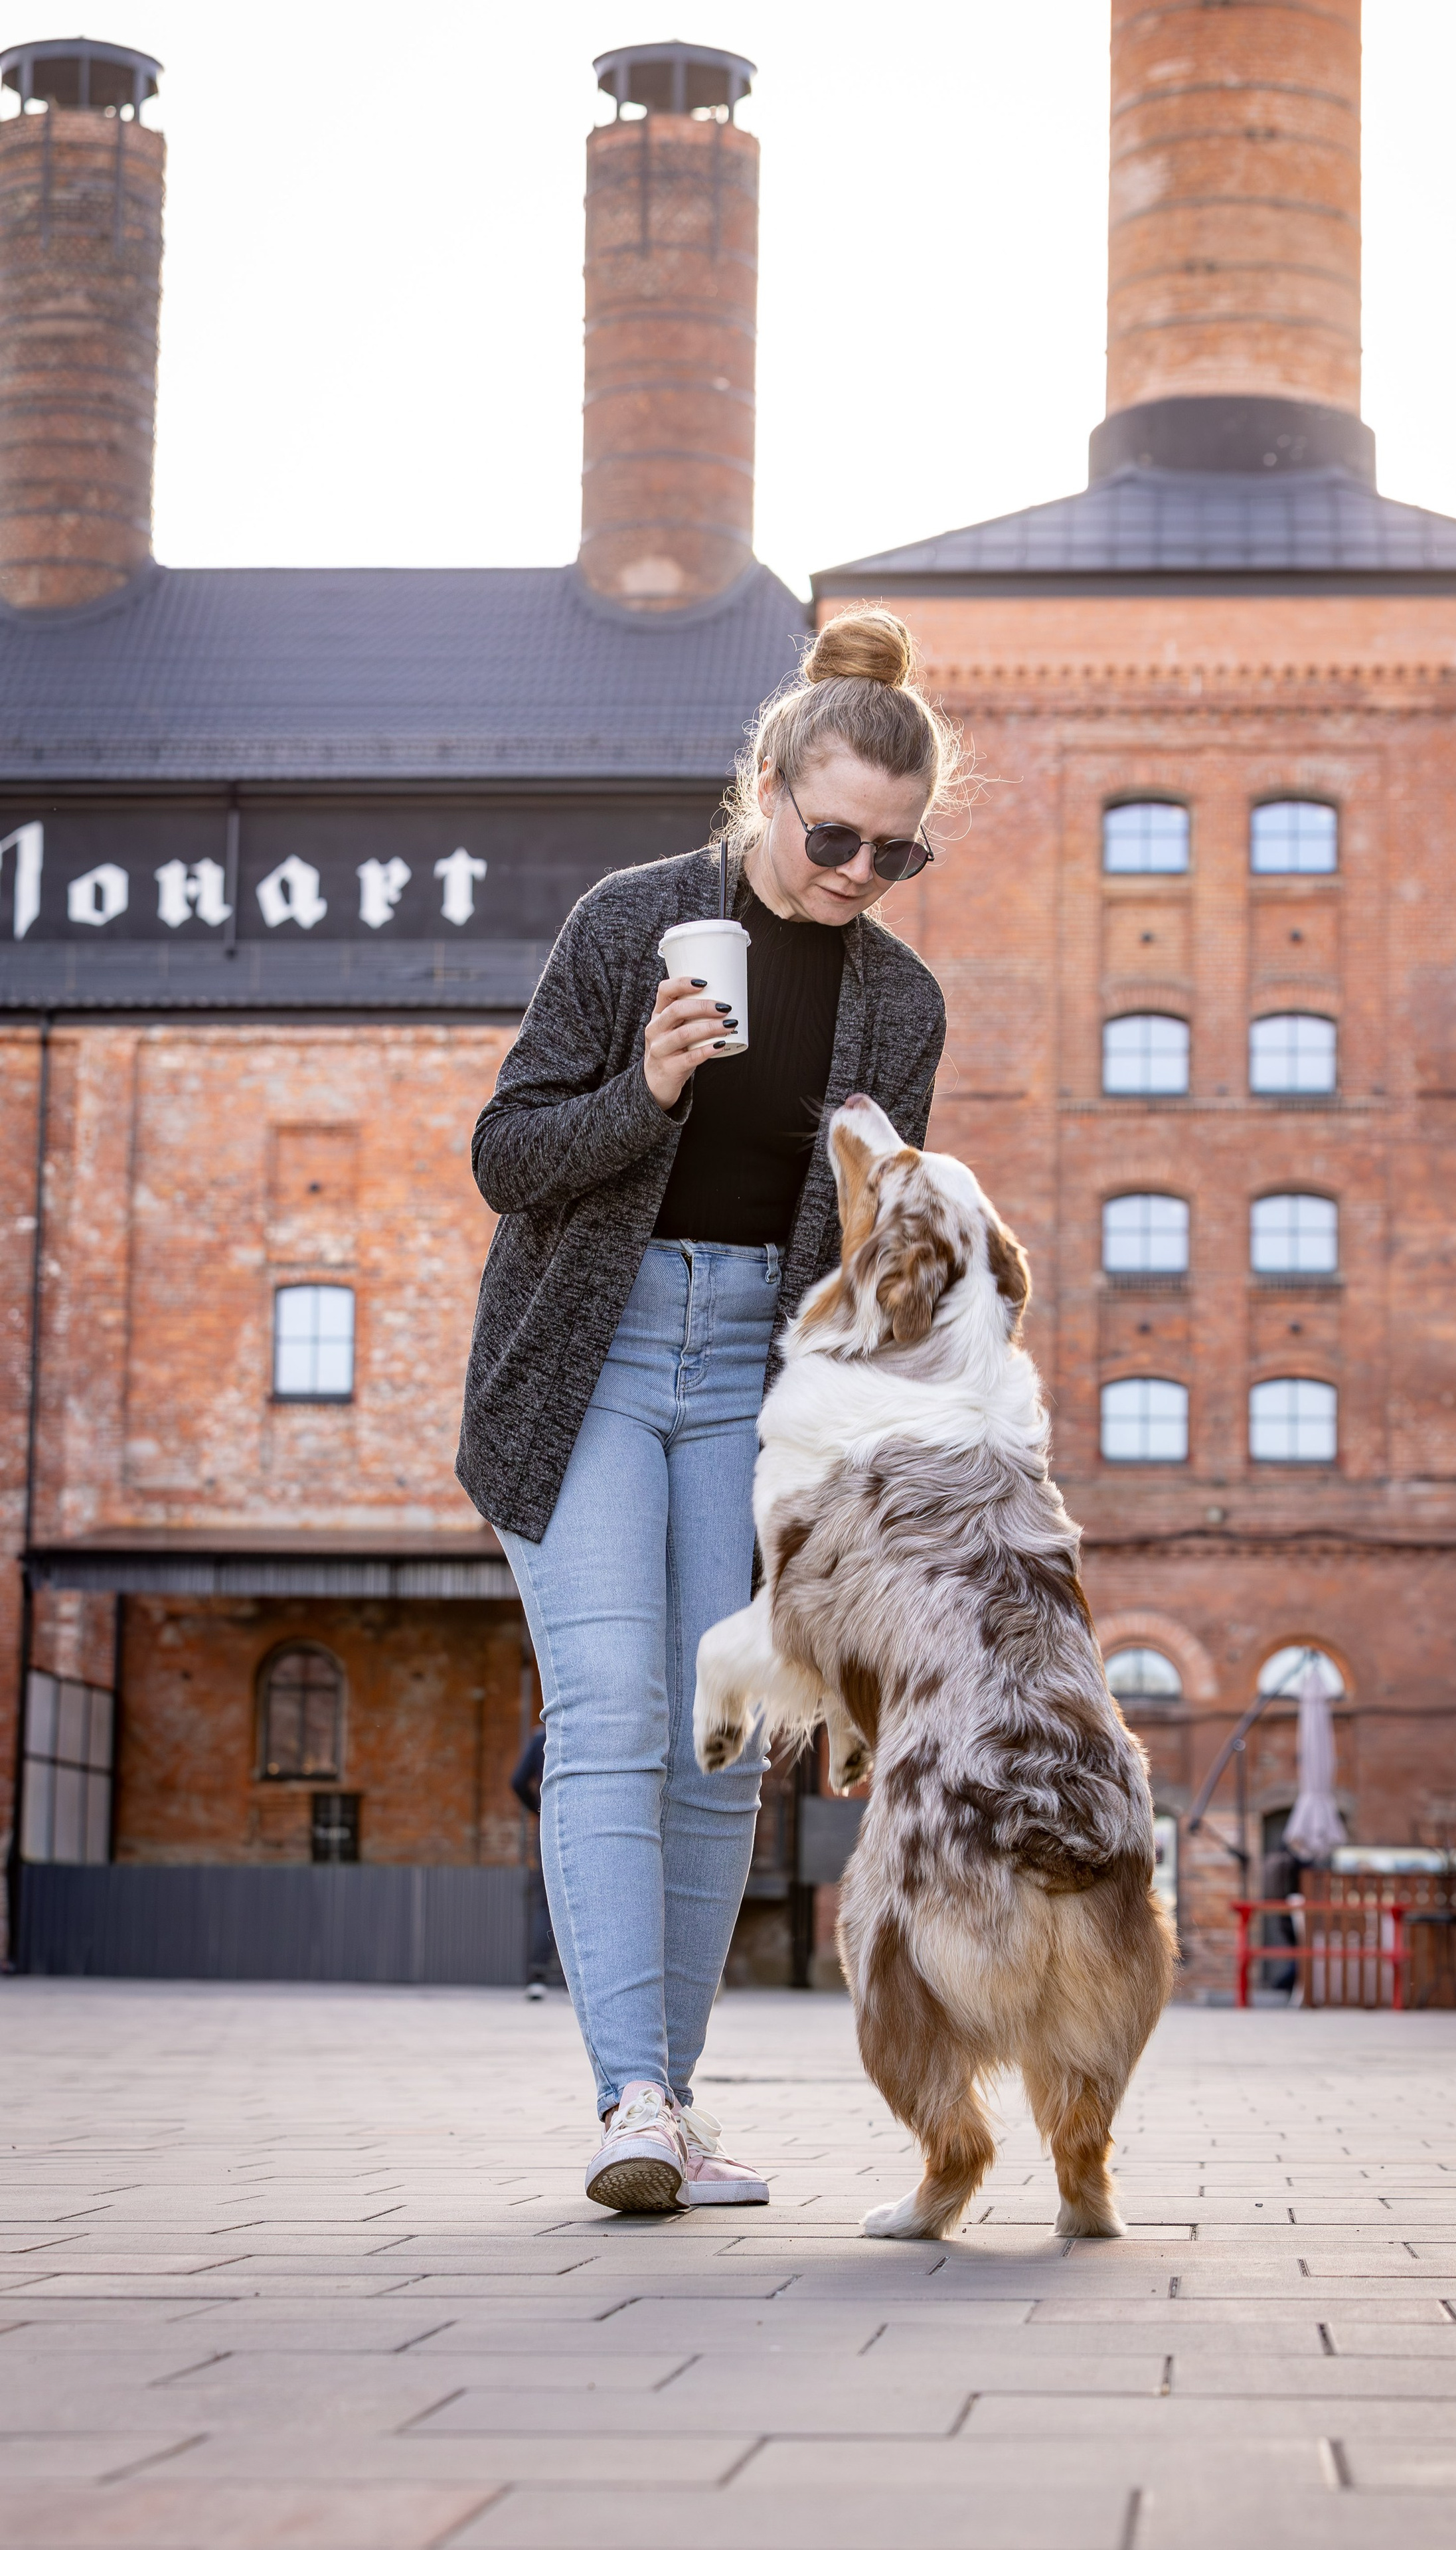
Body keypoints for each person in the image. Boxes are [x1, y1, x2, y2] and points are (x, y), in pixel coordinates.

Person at [457, 610, 958, 2213]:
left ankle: (666, 2102)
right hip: (589, 1356)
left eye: (895, 853)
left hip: (756, 1381)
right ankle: (632, 2098)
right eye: (831, 837)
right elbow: (505, 1157)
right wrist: (648, 1090)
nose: (856, 875)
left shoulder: (900, 1002)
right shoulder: (631, 925)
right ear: (762, 785)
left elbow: (878, 1291)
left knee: (713, 1740)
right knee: (607, 1709)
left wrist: (880, 1193)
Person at [509, 1722, 556, 1999]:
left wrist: (539, 1811)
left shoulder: (543, 1736)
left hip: (550, 1827)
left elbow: (517, 1782)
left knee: (546, 1903)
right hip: (590, 1828)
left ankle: (537, 1978)